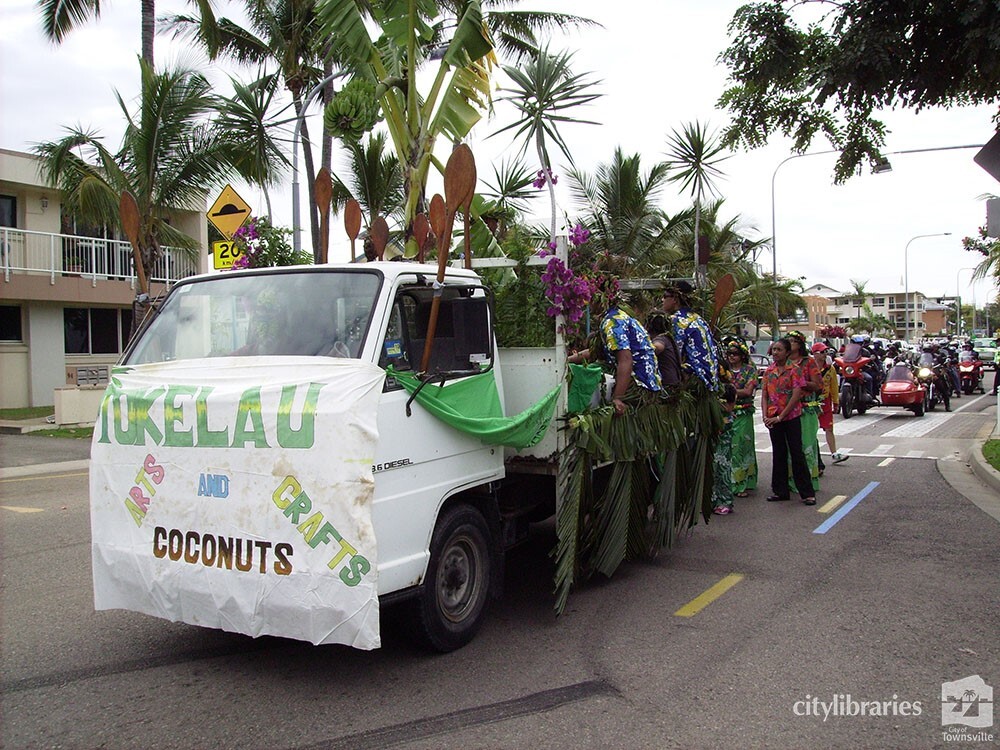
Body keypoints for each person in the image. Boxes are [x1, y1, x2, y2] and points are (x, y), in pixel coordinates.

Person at [568, 279, 662, 416]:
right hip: (644, 382)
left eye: (590, 297)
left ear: (601, 299)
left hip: (639, 383)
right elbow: (594, 352)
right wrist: (566, 360)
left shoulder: (613, 321)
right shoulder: (617, 316)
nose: (587, 302)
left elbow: (626, 360)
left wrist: (618, 398)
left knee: (586, 378)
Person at [761, 338, 816, 505]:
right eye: (774, 350)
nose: (775, 353)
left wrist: (781, 416)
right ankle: (780, 490)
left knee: (796, 452)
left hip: (790, 417)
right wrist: (765, 415)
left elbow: (796, 394)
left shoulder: (795, 370)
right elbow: (764, 395)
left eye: (779, 350)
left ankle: (807, 493)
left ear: (786, 352)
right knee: (779, 453)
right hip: (773, 418)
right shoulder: (768, 372)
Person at [661, 281, 720, 391]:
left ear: (675, 299)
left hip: (696, 380)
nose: (662, 300)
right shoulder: (698, 319)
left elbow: (673, 355)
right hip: (711, 381)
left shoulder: (677, 321)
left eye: (665, 296)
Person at [787, 331, 822, 491]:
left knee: (806, 445)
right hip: (787, 410)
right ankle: (790, 482)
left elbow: (817, 384)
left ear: (800, 344)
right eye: (788, 340)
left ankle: (807, 483)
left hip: (806, 409)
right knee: (789, 448)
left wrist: (800, 382)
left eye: (793, 341)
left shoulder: (809, 362)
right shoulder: (784, 362)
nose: (790, 343)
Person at [726, 341, 759, 497]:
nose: (731, 356)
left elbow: (748, 391)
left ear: (742, 355)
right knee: (728, 447)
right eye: (729, 353)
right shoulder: (723, 370)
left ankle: (742, 483)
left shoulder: (750, 370)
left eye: (735, 353)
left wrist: (729, 393)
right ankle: (728, 480)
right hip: (726, 413)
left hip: (743, 414)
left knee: (741, 446)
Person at [812, 342, 849, 465]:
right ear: (815, 354)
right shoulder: (809, 367)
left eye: (825, 352)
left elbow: (833, 386)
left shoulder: (830, 368)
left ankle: (834, 453)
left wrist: (836, 401)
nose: (825, 354)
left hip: (825, 401)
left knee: (829, 428)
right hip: (812, 401)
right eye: (822, 352)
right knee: (811, 429)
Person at [712, 381, 737, 515]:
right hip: (713, 445)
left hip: (723, 448)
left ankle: (725, 501)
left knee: (723, 473)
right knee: (712, 473)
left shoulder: (729, 418)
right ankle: (713, 500)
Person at [646, 310, 684, 386]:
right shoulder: (667, 337)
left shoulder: (661, 339)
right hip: (673, 382)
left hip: (668, 385)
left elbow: (658, 347)